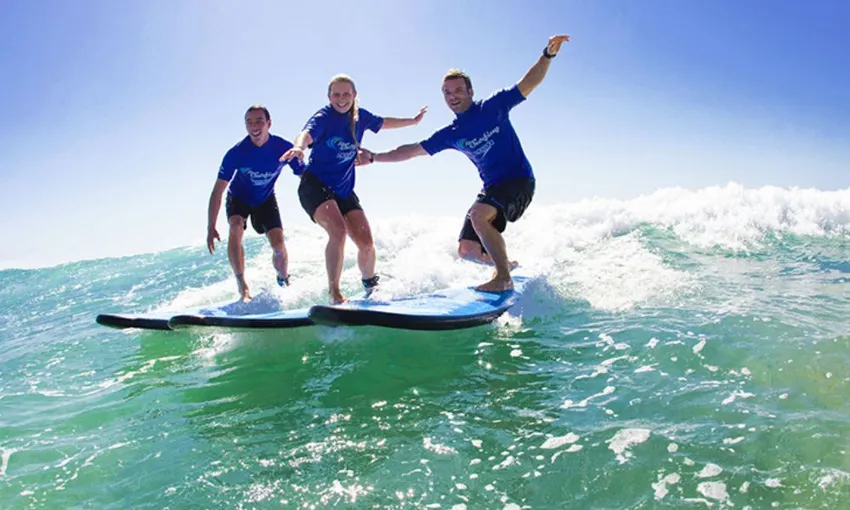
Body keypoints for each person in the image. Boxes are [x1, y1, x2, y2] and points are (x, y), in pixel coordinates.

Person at [356, 34, 570, 293]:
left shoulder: (493, 107)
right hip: (492, 188)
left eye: (458, 90)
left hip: (519, 181)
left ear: (470, 91)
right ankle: (506, 265)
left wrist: (547, 55)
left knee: (479, 216)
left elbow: (529, 83)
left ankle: (502, 278)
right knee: (467, 250)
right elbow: (410, 151)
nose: (453, 96)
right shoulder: (451, 134)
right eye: (447, 92)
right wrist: (374, 157)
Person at [280, 74, 427, 304]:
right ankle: (334, 293)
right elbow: (306, 133)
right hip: (315, 186)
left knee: (366, 244)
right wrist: (299, 147)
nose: (341, 99)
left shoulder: (360, 117)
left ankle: (371, 287)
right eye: (336, 95)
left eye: (346, 94)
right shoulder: (323, 117)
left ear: (354, 95)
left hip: (344, 190)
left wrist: (413, 121)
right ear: (329, 97)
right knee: (338, 232)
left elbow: (384, 122)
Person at [207, 105, 305, 302]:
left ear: (269, 123)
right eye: (249, 122)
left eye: (259, 120)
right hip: (239, 197)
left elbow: (305, 175)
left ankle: (283, 280)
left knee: (278, 244)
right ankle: (242, 285)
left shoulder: (282, 147)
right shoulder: (237, 152)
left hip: (266, 198)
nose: (254, 126)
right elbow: (218, 190)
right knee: (235, 227)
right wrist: (211, 226)